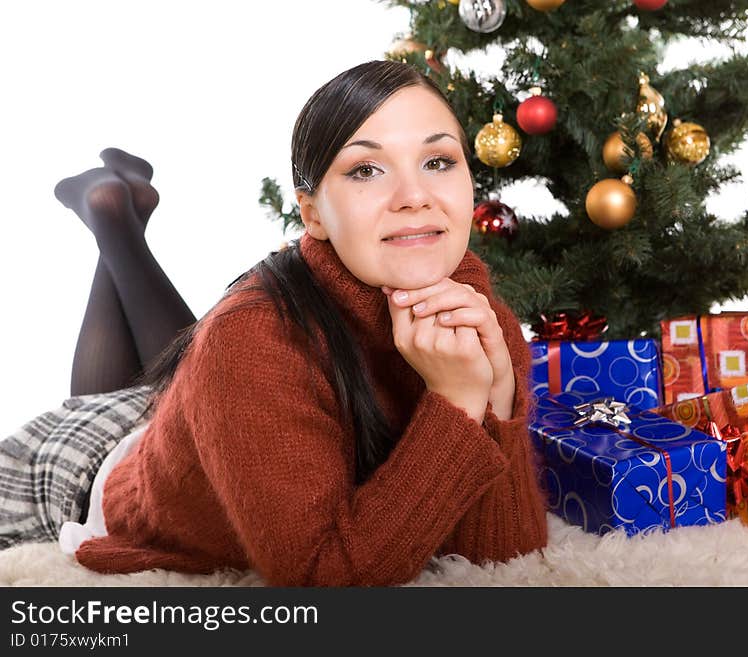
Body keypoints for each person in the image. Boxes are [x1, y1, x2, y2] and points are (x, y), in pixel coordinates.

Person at [0, 59, 549, 586]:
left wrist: (494, 396)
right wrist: (454, 402)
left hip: (205, 423)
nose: (415, 198)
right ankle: (111, 217)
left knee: (181, 370)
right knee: (127, 387)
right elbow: (325, 580)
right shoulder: (250, 340)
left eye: (438, 162)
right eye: (365, 170)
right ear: (312, 214)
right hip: (82, 468)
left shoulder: (475, 312)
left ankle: (113, 214)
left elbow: (501, 559)